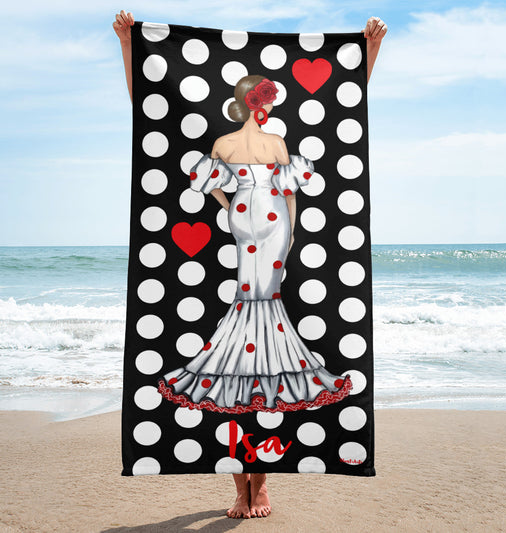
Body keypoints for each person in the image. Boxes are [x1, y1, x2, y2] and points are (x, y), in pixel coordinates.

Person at [113, 10, 386, 520]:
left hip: (248, 220)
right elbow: (155, 113)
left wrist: (367, 54)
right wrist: (131, 47)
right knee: (256, 297)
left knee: (259, 299)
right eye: (269, 100)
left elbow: (336, 104)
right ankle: (246, 484)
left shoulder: (234, 144)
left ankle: (256, 484)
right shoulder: (261, 143)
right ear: (260, 104)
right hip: (269, 222)